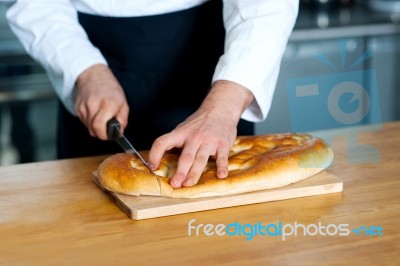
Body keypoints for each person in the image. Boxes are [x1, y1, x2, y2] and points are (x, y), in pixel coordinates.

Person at [5, 0, 298, 188]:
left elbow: (266, 6)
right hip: (89, 53)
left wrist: (224, 105)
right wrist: (83, 68)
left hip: (214, 68)